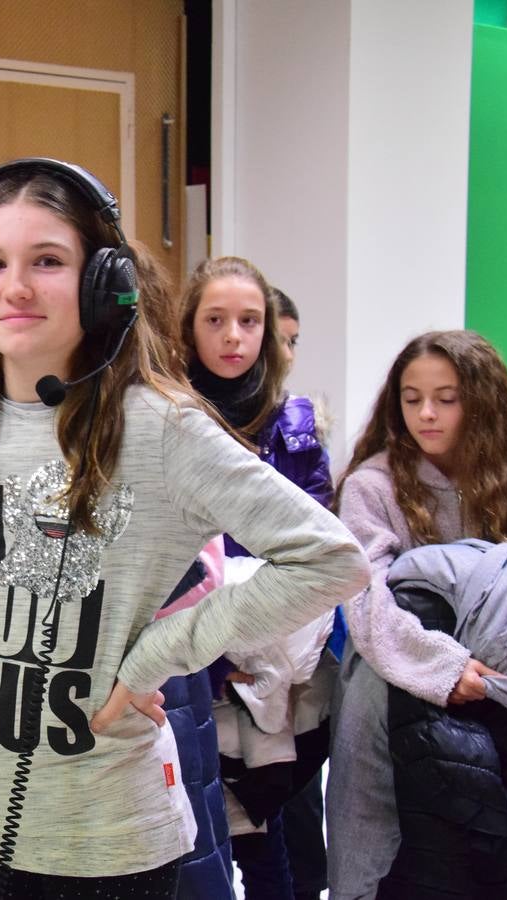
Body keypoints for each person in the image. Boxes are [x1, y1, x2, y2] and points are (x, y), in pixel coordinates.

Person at [0, 158, 368, 900]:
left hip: (111, 851)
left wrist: (162, 651)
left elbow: (331, 559)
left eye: (48, 262)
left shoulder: (163, 429)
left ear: (104, 282)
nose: (17, 286)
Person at [328, 330, 507, 899]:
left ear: (482, 400)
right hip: (391, 694)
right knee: (391, 864)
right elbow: (365, 598)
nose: (426, 413)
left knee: (480, 865)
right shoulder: (374, 486)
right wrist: (442, 668)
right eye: (412, 397)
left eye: (447, 397)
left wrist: (495, 673)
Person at [180, 258, 336, 900]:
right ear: (188, 329)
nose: (233, 337)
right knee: (196, 840)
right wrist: (214, 660)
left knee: (270, 842)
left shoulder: (295, 431)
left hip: (279, 662)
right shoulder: (167, 417)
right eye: (215, 320)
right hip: (189, 658)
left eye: (249, 322)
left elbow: (319, 552)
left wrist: (275, 660)